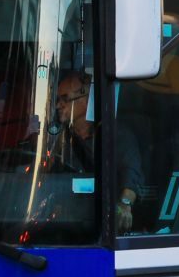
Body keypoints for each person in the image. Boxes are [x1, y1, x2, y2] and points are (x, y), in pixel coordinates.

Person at [51, 71, 143, 233]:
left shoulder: (116, 135)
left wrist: (125, 205)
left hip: (102, 227)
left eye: (65, 98)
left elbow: (131, 174)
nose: (59, 105)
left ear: (87, 100)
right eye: (57, 100)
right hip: (67, 224)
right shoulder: (59, 139)